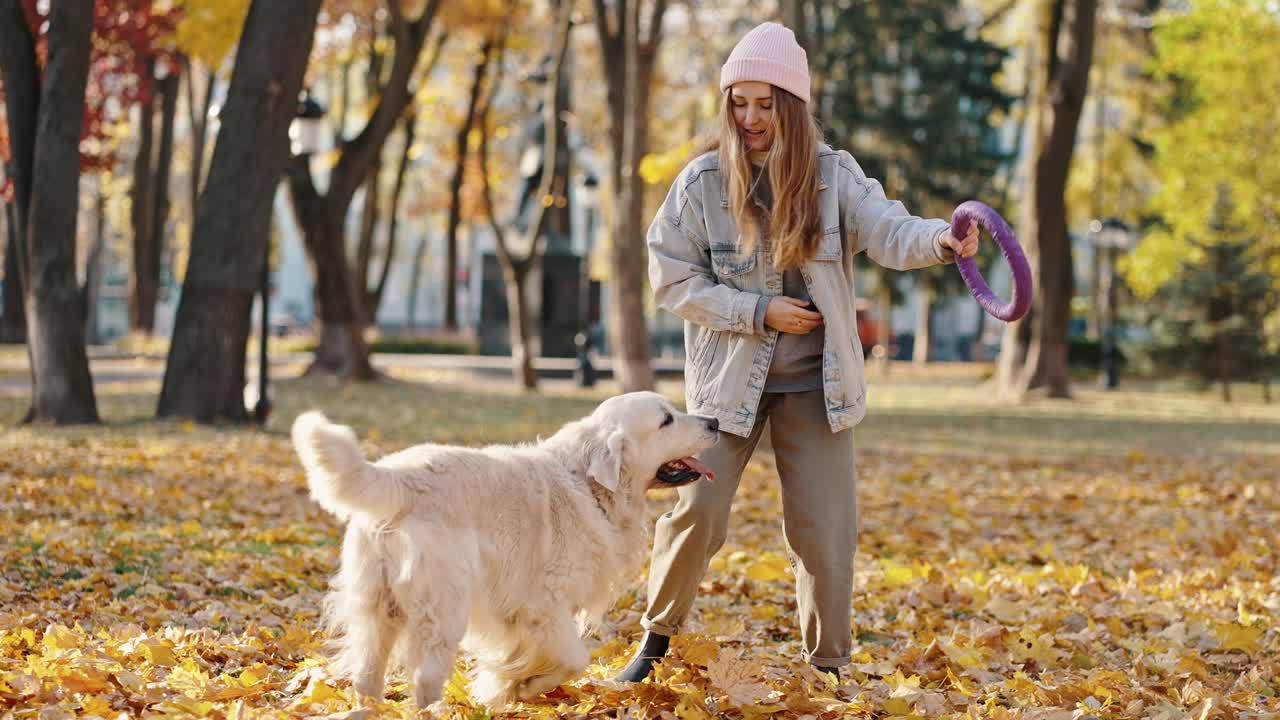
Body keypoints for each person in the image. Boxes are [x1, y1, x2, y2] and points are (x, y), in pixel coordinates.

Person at [618, 21, 979, 683]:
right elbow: (671, 279)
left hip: (817, 386)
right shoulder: (701, 184)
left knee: (823, 531)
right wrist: (758, 311)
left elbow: (888, 226)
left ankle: (830, 665)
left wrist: (941, 241)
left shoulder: (833, 175)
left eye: (765, 102)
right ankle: (655, 642)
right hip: (727, 388)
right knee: (696, 511)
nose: (750, 117)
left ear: (792, 105)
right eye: (739, 101)